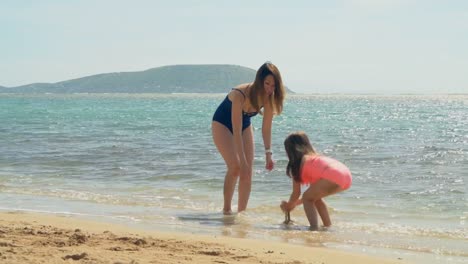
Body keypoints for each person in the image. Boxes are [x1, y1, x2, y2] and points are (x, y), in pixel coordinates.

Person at [212, 62, 286, 214]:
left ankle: (241, 214)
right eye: (267, 84)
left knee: (247, 171)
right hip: (222, 123)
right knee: (236, 167)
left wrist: (268, 155)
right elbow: (236, 131)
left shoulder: (268, 98)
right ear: (259, 81)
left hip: (245, 124)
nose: (270, 89)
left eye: (273, 86)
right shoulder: (240, 94)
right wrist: (243, 161)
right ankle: (226, 211)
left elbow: (266, 129)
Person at [281, 131, 352, 230]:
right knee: (315, 199)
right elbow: (309, 197)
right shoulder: (314, 159)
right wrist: (294, 204)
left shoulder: (297, 165)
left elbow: (296, 193)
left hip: (333, 173)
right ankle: (327, 226)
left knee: (307, 197)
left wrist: (289, 206)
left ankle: (314, 228)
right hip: (346, 175)